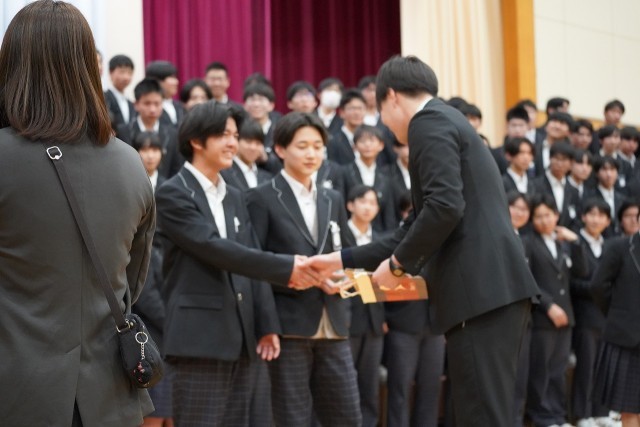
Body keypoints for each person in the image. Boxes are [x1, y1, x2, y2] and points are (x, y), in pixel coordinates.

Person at [308, 55, 539, 426]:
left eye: (381, 113)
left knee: (482, 416)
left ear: (392, 97)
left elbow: (445, 208)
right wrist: (339, 259)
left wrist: (397, 266)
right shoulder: (447, 120)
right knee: (480, 412)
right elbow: (415, 226)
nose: (384, 125)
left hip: (481, 293)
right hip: (490, 292)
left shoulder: (428, 122)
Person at [0, 1, 155, 425]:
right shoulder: (129, 162)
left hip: (15, 393)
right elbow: (133, 280)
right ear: (89, 67)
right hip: (109, 397)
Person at [155, 101, 320, 426]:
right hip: (198, 339)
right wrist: (287, 267)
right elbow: (216, 249)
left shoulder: (234, 195)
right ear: (196, 141)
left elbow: (250, 256)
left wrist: (267, 325)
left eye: (235, 135)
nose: (233, 143)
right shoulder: (173, 194)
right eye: (224, 135)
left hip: (242, 338)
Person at [245, 112, 361, 427]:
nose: (312, 154)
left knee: (347, 416)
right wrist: (267, 326)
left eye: (318, 146)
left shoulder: (332, 197)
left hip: (334, 322)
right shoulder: (260, 198)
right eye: (302, 146)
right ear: (280, 149)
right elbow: (254, 266)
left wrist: (342, 278)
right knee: (292, 417)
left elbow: (347, 254)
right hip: (288, 326)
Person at [523, 194, 588, 427]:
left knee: (559, 370)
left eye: (547, 215)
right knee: (541, 370)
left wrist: (576, 241)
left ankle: (558, 416)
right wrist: (548, 305)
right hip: (543, 318)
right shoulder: (528, 242)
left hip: (566, 316)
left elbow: (582, 271)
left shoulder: (563, 242)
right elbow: (527, 280)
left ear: (556, 215)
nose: (543, 220)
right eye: (538, 216)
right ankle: (542, 417)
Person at [590, 208, 640, 427]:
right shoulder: (619, 247)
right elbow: (598, 286)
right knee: (629, 408)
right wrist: (618, 314)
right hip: (626, 338)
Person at [570, 198, 616, 427]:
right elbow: (573, 282)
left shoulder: (610, 246)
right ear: (583, 217)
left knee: (604, 367)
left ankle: (601, 412)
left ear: (608, 221)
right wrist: (597, 289)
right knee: (586, 367)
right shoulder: (575, 243)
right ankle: (582, 414)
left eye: (601, 215)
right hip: (585, 315)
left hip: (606, 317)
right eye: (592, 214)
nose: (596, 219)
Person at [344, 185, 387, 427]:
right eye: (363, 201)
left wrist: (383, 318)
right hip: (346, 322)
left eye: (373, 203)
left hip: (374, 323)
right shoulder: (339, 236)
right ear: (350, 205)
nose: (368, 207)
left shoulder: (381, 240)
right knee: (342, 384)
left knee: (370, 385)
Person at [116, 78, 183, 179]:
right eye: (147, 103)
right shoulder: (123, 132)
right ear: (136, 105)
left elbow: (176, 168)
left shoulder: (172, 134)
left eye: (157, 104)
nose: (152, 109)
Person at [341, 124, 397, 232]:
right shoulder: (344, 172)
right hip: (350, 233)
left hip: (379, 235)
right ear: (354, 147)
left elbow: (389, 214)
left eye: (372, 140)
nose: (367, 145)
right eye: (362, 141)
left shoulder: (386, 176)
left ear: (381, 145)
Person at [220, 118, 273, 191]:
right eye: (248, 142)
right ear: (237, 141)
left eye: (258, 143)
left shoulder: (268, 178)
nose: (253, 147)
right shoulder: (223, 172)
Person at [327, 89, 367, 165]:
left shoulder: (373, 138)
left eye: (360, 108)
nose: (357, 112)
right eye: (352, 108)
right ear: (342, 112)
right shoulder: (333, 141)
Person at [146, 60, 185, 127]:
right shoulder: (147, 108)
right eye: (172, 78)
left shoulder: (180, 107)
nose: (176, 82)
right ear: (158, 81)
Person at [104, 54, 136, 129]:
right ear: (111, 72)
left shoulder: (130, 103)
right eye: (122, 72)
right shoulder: (104, 98)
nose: (126, 77)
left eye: (129, 73)